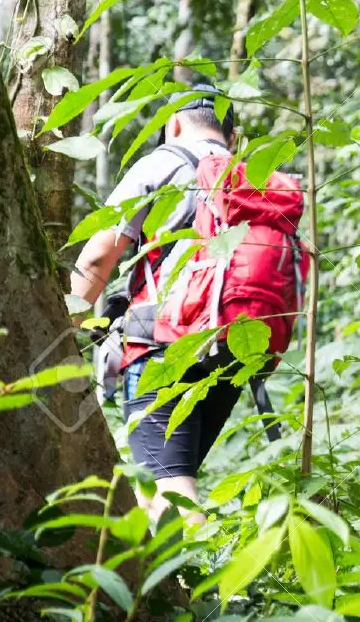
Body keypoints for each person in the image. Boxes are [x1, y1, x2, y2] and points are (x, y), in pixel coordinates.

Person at [71, 89, 243, 525]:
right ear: (233, 136)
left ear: (176, 125)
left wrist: (66, 323)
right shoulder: (251, 176)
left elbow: (97, 257)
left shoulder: (162, 163)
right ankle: (159, 588)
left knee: (170, 486)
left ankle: (204, 588)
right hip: (237, 348)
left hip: (164, 345)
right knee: (161, 479)